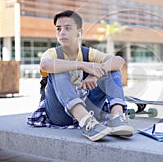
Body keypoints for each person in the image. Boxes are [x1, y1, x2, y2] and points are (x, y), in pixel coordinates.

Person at [30, 10, 134, 142]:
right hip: (59, 114)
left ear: (79, 32)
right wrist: (82, 65)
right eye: (58, 29)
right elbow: (45, 65)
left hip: (89, 108)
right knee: (58, 70)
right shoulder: (52, 53)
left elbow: (119, 61)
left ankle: (117, 118)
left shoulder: (88, 53)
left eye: (68, 28)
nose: (62, 32)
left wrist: (95, 75)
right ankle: (86, 122)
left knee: (112, 69)